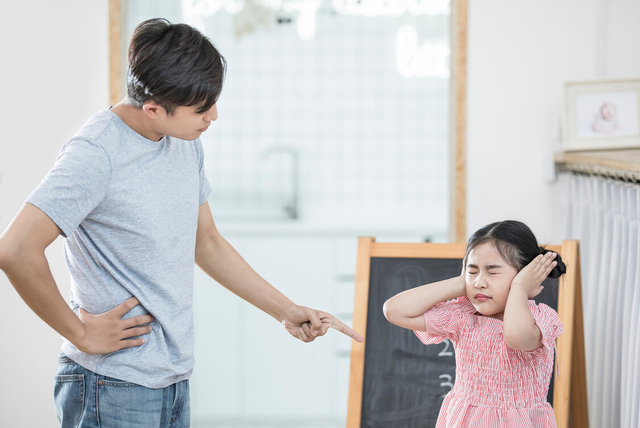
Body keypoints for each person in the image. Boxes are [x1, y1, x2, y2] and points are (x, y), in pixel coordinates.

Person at [0, 18, 362, 428]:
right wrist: (81, 334)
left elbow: (206, 242)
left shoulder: (184, 142)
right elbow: (15, 250)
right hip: (111, 384)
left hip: (171, 382)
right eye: (201, 109)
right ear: (153, 107)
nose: (214, 116)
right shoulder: (96, 153)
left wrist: (285, 310)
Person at [383, 220, 566, 428]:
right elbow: (394, 310)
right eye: (473, 271)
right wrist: (463, 283)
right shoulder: (463, 315)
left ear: (526, 275)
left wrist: (520, 289)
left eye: (492, 272)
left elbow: (515, 336)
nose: (480, 281)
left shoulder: (541, 318)